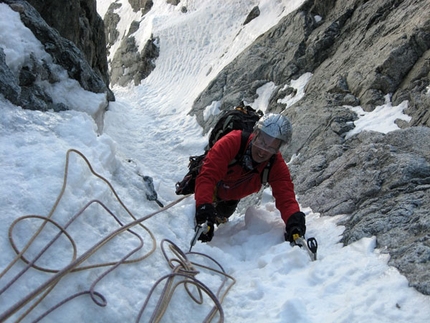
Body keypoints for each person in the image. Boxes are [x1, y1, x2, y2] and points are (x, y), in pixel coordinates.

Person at [194, 113, 306, 243]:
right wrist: (203, 207)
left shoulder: (275, 165)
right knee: (189, 214)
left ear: (278, 148)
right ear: (255, 134)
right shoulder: (232, 142)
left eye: (271, 147)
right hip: (201, 187)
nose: (263, 151)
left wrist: (294, 221)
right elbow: (208, 175)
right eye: (261, 142)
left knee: (221, 215)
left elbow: (285, 196)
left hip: (229, 199)